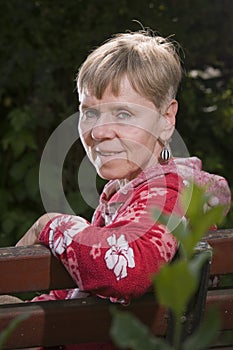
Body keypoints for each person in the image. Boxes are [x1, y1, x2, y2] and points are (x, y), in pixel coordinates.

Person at [5, 30, 232, 349]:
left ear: (166, 119)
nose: (98, 131)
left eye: (123, 114)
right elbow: (82, 290)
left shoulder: (170, 191)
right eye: (89, 112)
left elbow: (125, 268)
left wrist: (50, 224)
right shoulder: (132, 192)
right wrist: (22, 311)